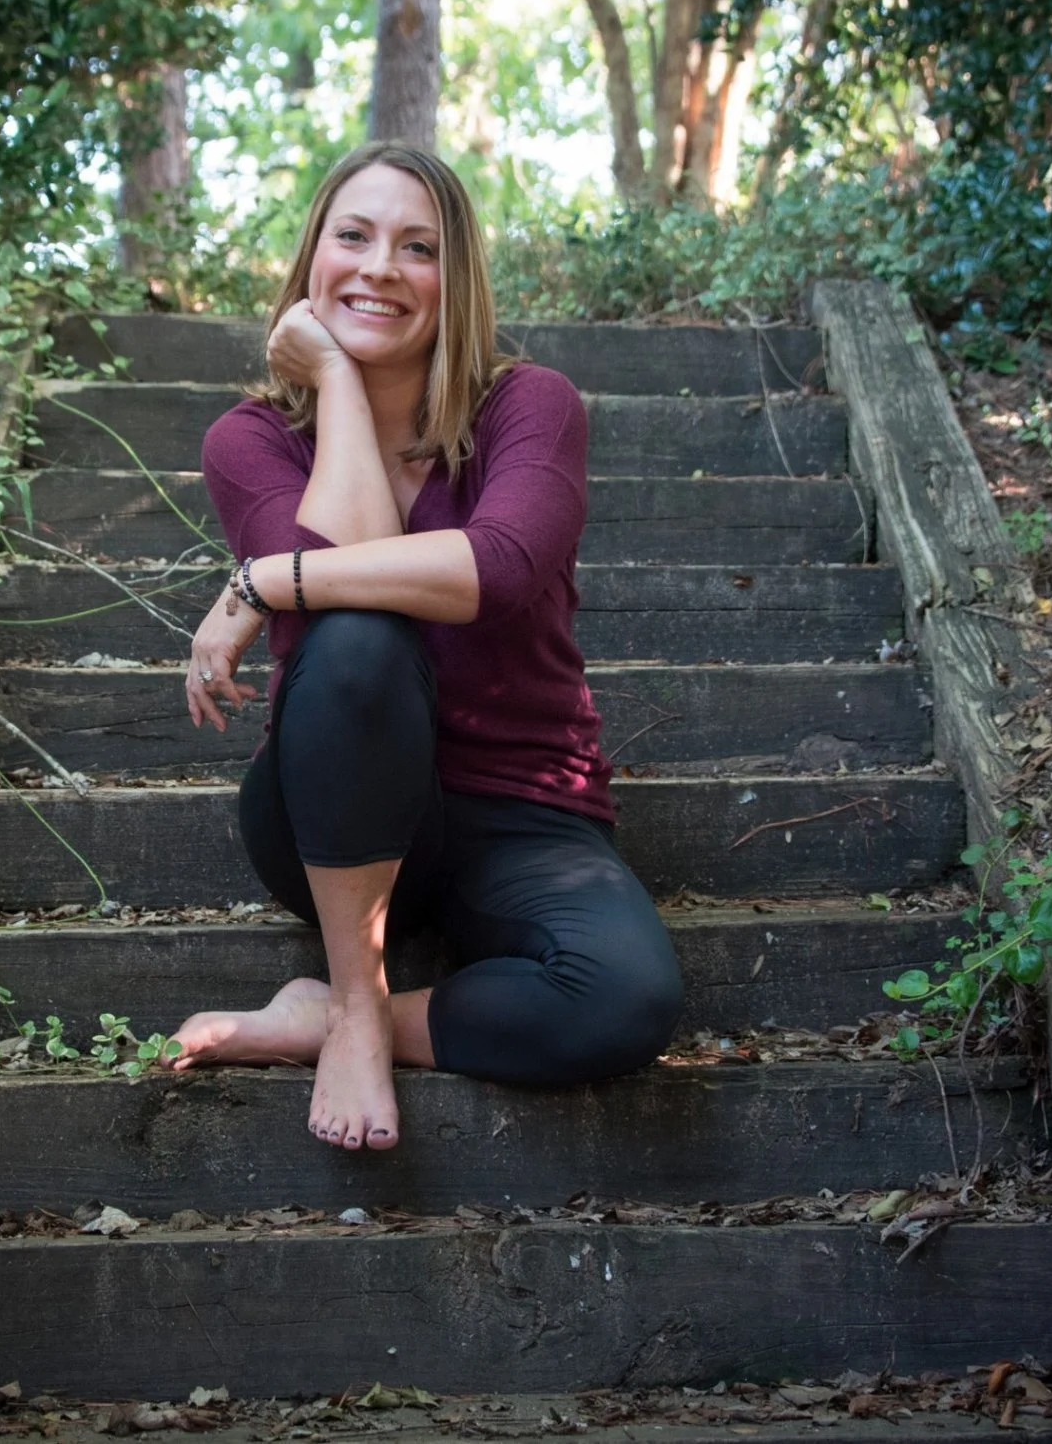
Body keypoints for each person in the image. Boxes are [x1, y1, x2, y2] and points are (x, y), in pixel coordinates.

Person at [168, 141, 684, 1152]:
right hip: (328, 804)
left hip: (523, 809)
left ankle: (338, 1014)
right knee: (358, 635)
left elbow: (495, 566)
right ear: (312, 254)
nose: (378, 268)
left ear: (456, 280)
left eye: (417, 247)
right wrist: (333, 381)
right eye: (352, 236)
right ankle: (359, 1003)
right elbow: (349, 603)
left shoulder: (529, 407)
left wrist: (262, 580)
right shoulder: (252, 439)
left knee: (625, 999)